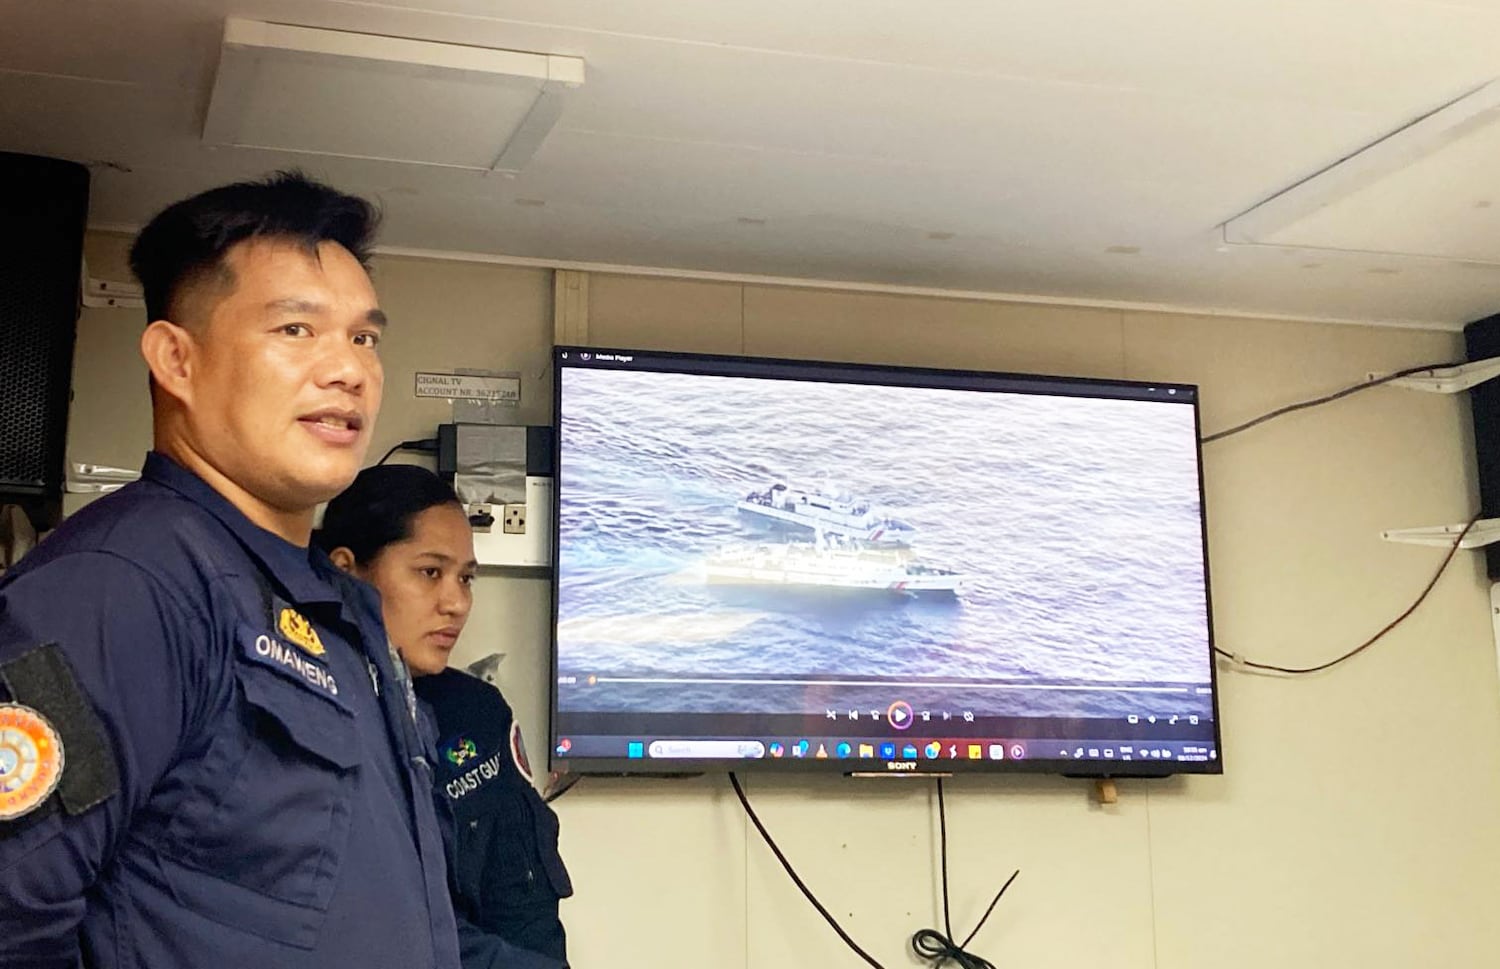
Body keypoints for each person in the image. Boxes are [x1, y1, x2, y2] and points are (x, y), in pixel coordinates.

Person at [0, 173, 470, 968]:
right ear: (176, 360)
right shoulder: (122, 585)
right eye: (296, 329)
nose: (348, 370)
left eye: (364, 338)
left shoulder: (340, 610)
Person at [317, 465, 572, 969]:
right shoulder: (309, 716)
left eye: (466, 578)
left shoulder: (477, 714)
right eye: (430, 572)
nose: (456, 603)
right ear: (347, 572)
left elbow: (523, 901)